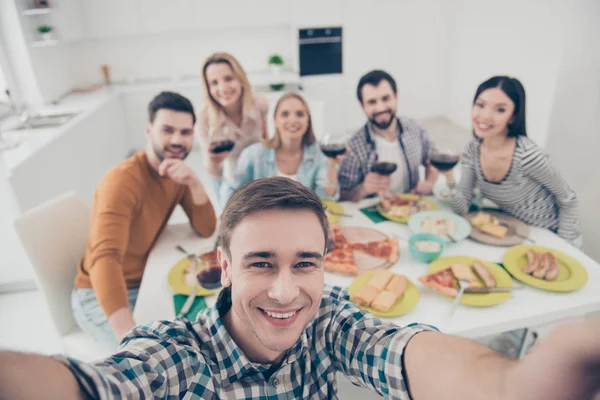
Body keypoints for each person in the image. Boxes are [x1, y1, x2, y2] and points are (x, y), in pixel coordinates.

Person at [2, 177, 599, 399]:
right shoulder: (181, 353)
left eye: (305, 263)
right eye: (261, 262)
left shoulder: (330, 321)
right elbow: (102, 384)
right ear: (224, 266)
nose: (287, 292)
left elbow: (401, 350)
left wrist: (515, 384)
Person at [71, 91, 217, 346]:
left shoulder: (176, 173)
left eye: (185, 132)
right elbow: (105, 259)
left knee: (202, 334)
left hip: (146, 279)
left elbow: (206, 229)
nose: (176, 139)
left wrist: (194, 183)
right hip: (98, 295)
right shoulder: (122, 181)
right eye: (167, 130)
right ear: (149, 131)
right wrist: (128, 332)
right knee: (154, 358)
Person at [437, 76, 582, 246]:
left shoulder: (527, 155)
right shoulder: (472, 151)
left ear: (513, 117)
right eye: (480, 105)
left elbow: (569, 199)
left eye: (500, 110)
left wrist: (563, 246)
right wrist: (449, 177)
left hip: (547, 233)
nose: (484, 116)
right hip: (511, 231)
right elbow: (462, 208)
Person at [220, 92, 341, 203]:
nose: (293, 120)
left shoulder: (319, 154)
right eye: (285, 114)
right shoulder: (254, 154)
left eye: (300, 114)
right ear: (275, 120)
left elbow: (326, 199)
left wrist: (332, 164)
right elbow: (230, 190)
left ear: (308, 121)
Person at [339, 70, 438, 201]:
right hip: (373, 213)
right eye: (372, 102)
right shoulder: (354, 146)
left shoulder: (414, 128)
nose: (380, 108)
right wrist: (364, 188)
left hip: (411, 206)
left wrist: (430, 182)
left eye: (386, 98)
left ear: (395, 97)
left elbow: (432, 158)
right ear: (362, 106)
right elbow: (343, 195)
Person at [197, 52, 270, 195]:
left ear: (241, 79)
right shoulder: (204, 117)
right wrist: (215, 161)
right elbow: (213, 172)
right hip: (230, 180)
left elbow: (266, 143)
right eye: (214, 83)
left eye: (228, 78)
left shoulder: (260, 104)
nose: (223, 88)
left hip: (260, 174)